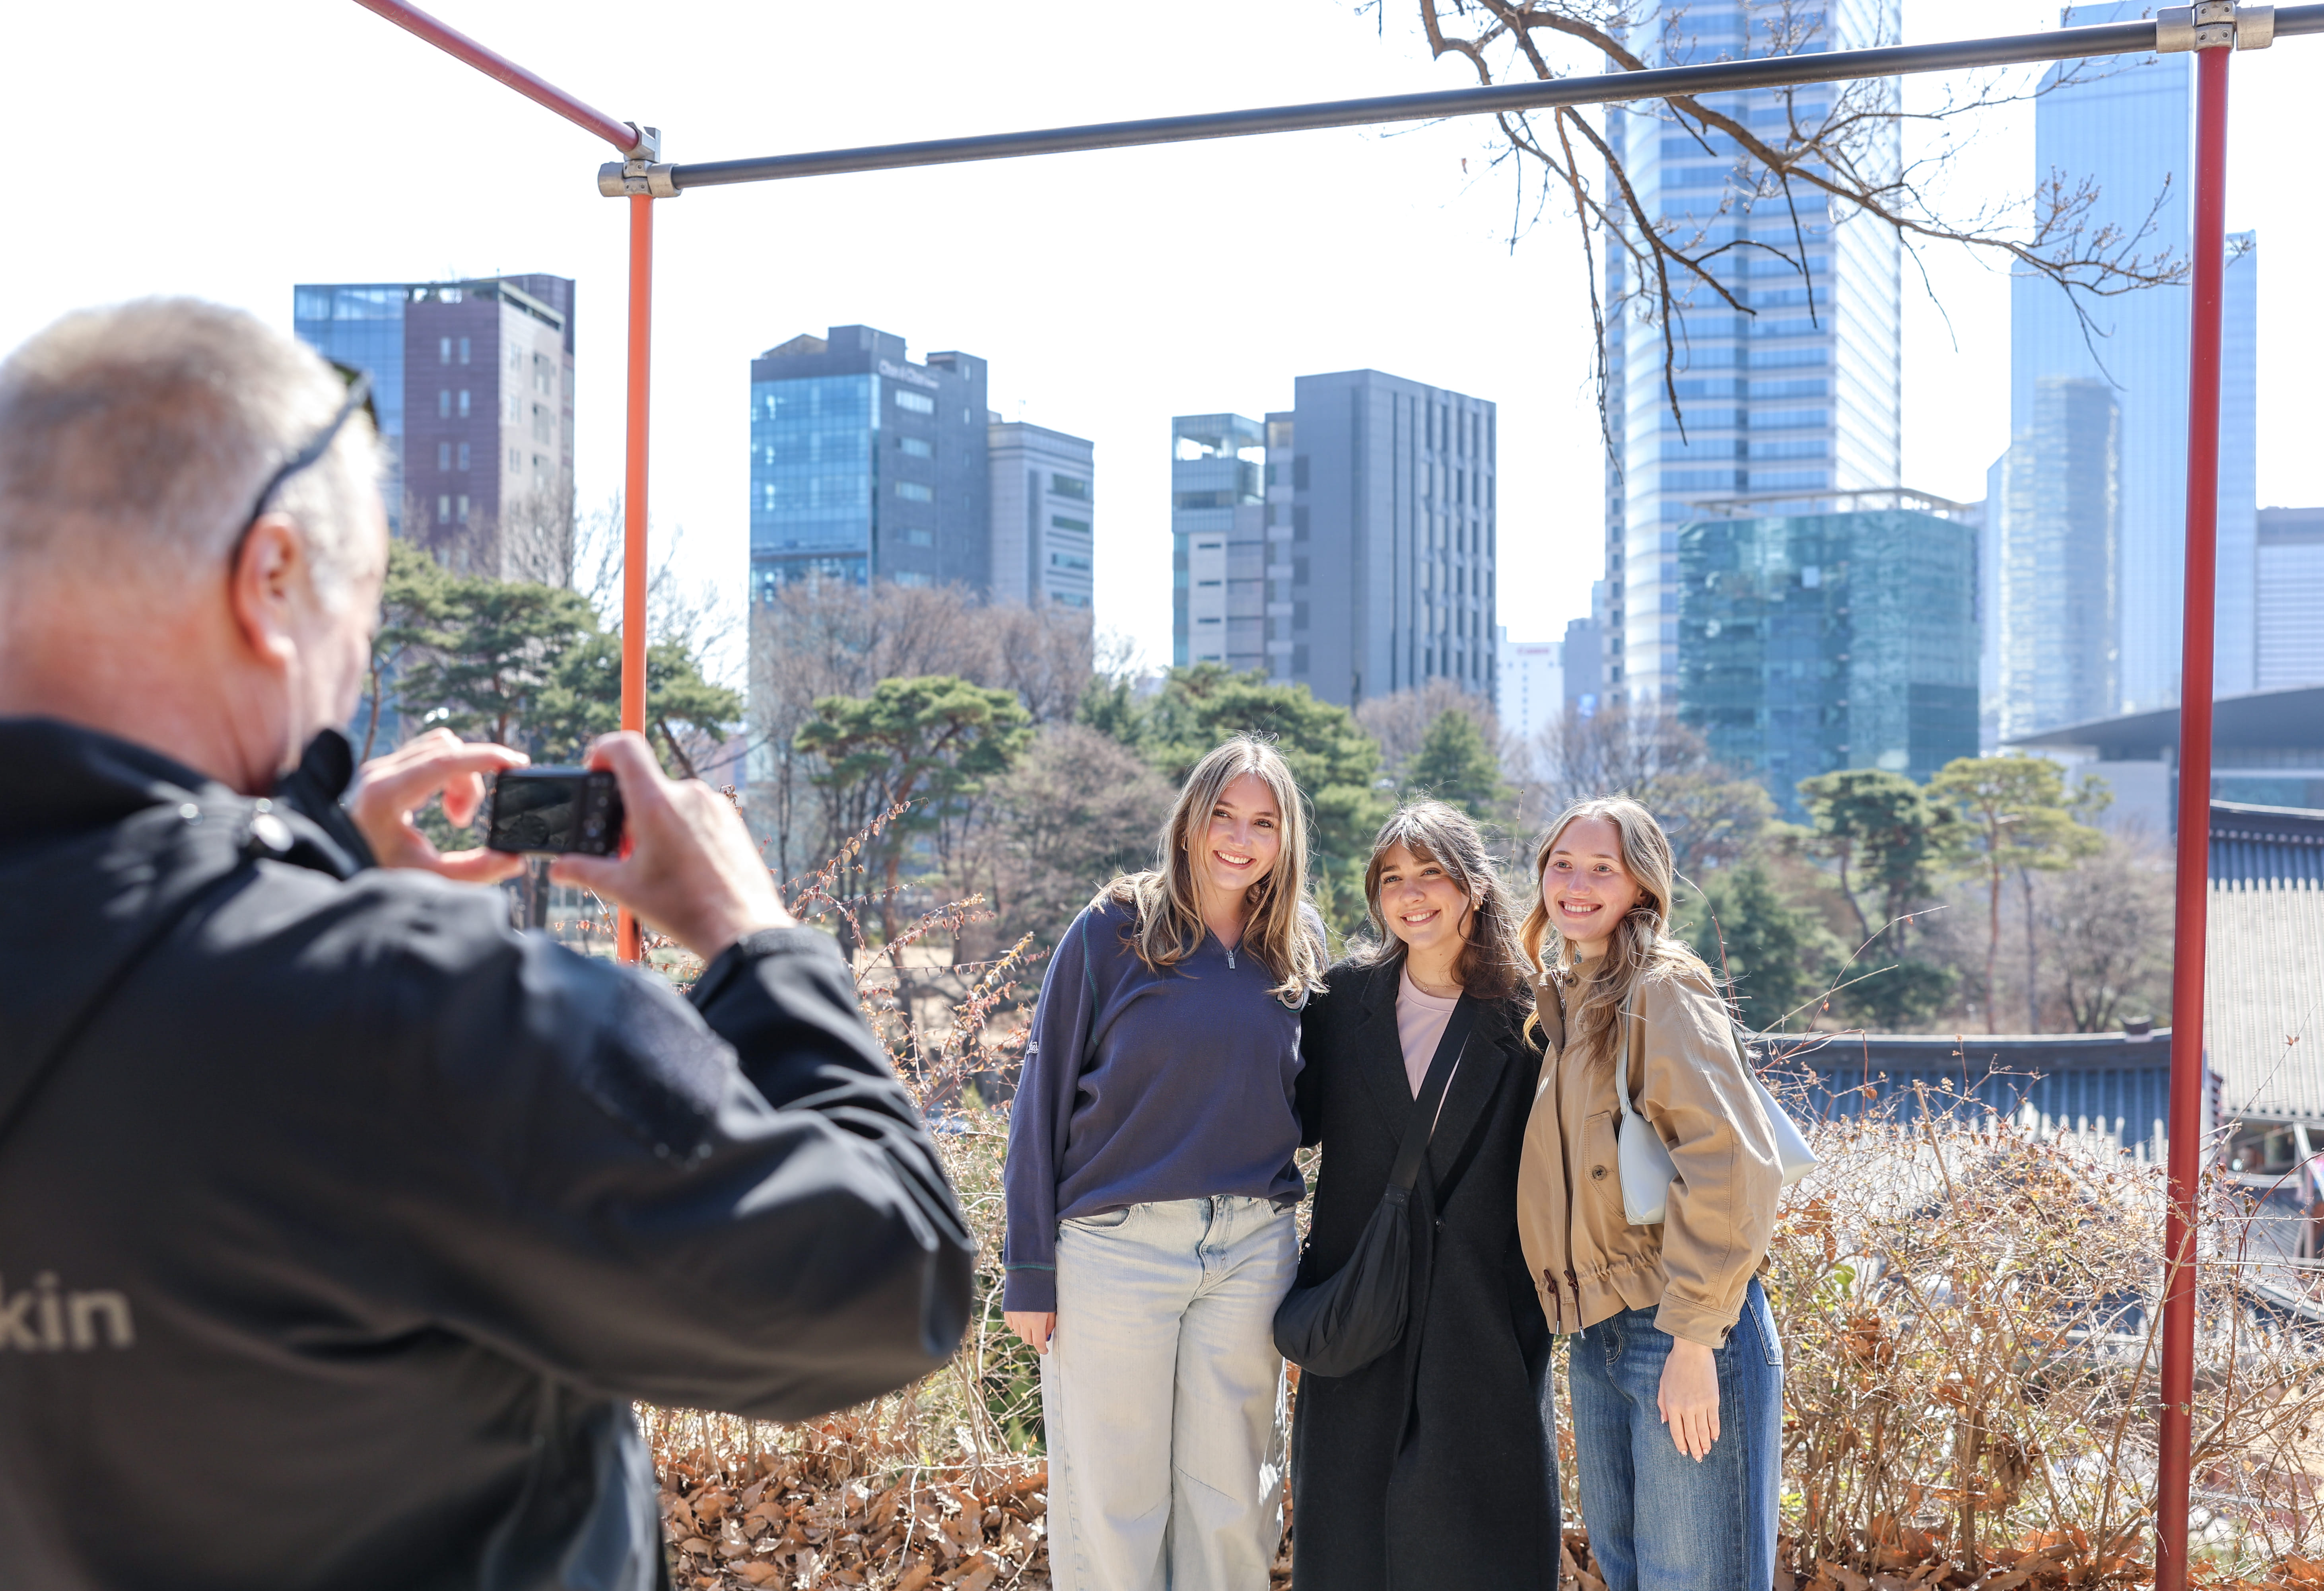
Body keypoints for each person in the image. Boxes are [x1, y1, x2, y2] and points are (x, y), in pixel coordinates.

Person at [0, 299, 975, 1590]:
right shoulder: (408, 1016)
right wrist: (757, 941)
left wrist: (303, 869)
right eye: (363, 612)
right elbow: (885, 1278)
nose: (350, 676)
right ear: (271, 578)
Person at [1001, 735, 1327, 1591]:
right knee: (1117, 1502)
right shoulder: (1114, 929)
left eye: (1263, 821)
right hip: (1115, 1250)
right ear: (1191, 819)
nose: (1239, 837)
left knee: (1232, 1502)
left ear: (1285, 838)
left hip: (1252, 1251)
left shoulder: (1293, 946)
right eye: (1223, 813)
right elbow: (1039, 1096)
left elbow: (1320, 1103)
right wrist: (1029, 1269)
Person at [1515, 797, 1788, 1591]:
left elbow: (1736, 1163)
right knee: (1633, 1575)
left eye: (1603, 867)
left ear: (1642, 885)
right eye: (1562, 863)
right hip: (1600, 1333)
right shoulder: (1569, 996)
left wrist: (1696, 1337)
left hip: (1681, 1325)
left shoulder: (1661, 988)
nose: (1576, 882)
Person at [1287, 801, 1559, 1591]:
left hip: (1484, 1330)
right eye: (1392, 878)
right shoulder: (1341, 1003)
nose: (1410, 894)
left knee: (1482, 1553)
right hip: (1362, 1316)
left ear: (1474, 886)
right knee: (1349, 1550)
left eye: (1430, 873)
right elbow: (1278, 1121)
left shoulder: (1531, 1015)